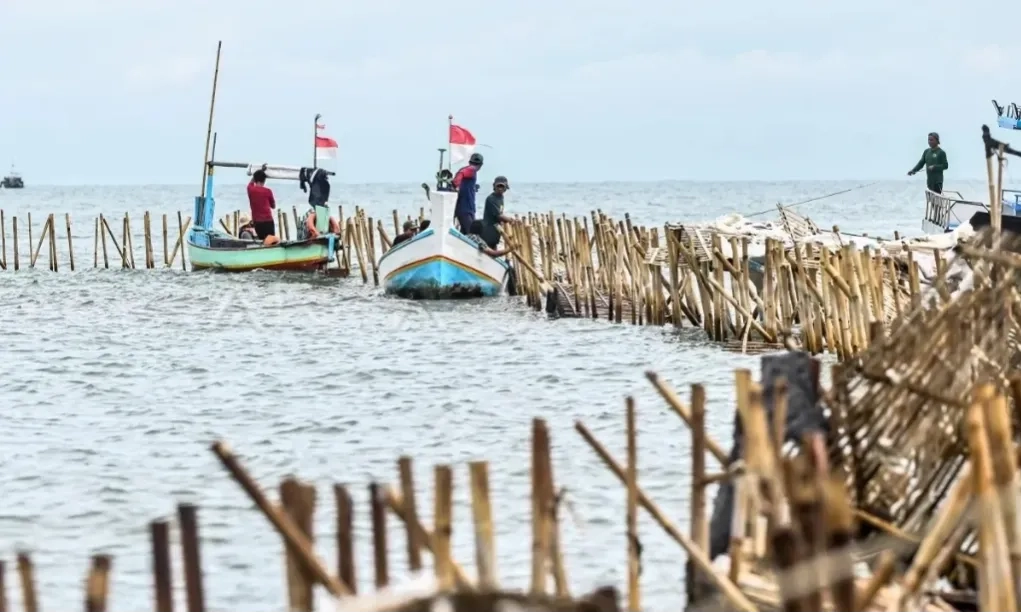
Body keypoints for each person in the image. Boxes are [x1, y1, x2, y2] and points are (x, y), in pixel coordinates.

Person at [481, 176, 516, 250]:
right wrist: (510, 220)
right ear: (494, 186)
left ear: (506, 188)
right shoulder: (491, 199)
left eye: (502, 186)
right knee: (489, 248)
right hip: (489, 230)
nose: (500, 188)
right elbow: (499, 215)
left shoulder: (500, 197)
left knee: (494, 246)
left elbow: (500, 212)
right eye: (498, 186)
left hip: (496, 230)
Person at [452, 152, 484, 233]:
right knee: (470, 233)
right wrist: (457, 184)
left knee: (465, 233)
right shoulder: (472, 170)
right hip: (465, 209)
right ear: (481, 165)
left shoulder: (471, 173)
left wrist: (473, 187)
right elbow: (461, 173)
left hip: (467, 208)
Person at [247, 169, 277, 239]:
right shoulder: (268, 191)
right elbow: (273, 206)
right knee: (271, 242)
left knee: (262, 241)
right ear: (264, 180)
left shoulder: (250, 189)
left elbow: (251, 181)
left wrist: (260, 170)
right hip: (268, 221)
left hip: (257, 223)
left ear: (255, 180)